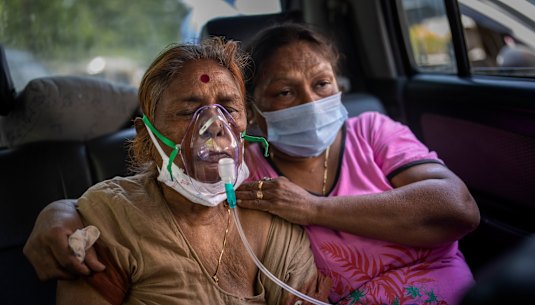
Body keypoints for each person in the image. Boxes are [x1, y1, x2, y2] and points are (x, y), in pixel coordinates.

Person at [24, 23, 480, 305]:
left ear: (244, 117)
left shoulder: (361, 140)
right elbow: (132, 204)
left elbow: (457, 209)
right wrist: (61, 211)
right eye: (188, 111)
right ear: (260, 109)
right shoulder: (251, 182)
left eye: (322, 83)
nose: (214, 126)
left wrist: (312, 209)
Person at [52, 37, 329, 304]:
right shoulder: (112, 218)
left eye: (228, 109)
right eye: (188, 112)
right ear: (146, 137)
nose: (215, 125)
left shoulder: (275, 220)